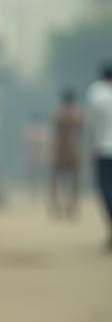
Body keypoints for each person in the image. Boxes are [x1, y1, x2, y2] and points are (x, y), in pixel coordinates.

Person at [84, 63, 112, 248]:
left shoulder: (96, 93)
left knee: (106, 190)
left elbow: (91, 124)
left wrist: (90, 146)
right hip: (103, 148)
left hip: (103, 149)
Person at [50, 89, 83, 218]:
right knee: (74, 178)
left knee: (55, 177)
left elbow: (56, 131)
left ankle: (56, 205)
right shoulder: (77, 114)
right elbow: (80, 132)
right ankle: (71, 206)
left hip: (60, 148)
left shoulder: (58, 113)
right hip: (73, 148)